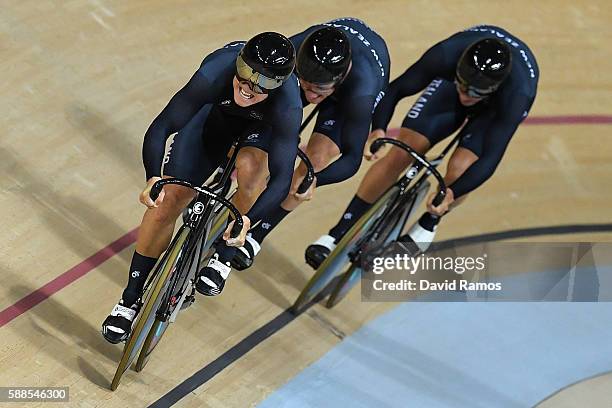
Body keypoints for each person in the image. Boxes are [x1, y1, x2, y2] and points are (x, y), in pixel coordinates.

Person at [102, 32, 302, 344]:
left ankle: (222, 254)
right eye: (247, 75)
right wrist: (153, 177)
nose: (249, 88)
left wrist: (248, 221)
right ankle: (130, 298)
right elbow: (163, 126)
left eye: (264, 84)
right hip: (214, 122)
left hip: (259, 132)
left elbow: (281, 180)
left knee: (252, 174)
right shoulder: (216, 71)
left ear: (279, 85)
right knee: (168, 201)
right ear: (239, 63)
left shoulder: (288, 106)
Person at [306, 25, 539, 268]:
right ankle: (337, 234)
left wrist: (451, 193)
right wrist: (379, 129)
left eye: (475, 92)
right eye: (462, 85)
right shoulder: (447, 55)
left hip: (494, 110)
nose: (466, 95)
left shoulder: (517, 94)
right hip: (449, 85)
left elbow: (490, 158)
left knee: (461, 168)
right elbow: (396, 89)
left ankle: (429, 223)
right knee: (404, 149)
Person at [230, 18, 390, 270]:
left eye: (318, 90)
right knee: (262, 121)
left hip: (350, 93)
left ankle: (256, 237)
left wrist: (316, 179)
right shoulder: (295, 50)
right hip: (306, 67)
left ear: (341, 79)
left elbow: (351, 159)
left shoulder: (361, 90)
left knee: (314, 163)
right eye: (305, 85)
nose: (310, 96)